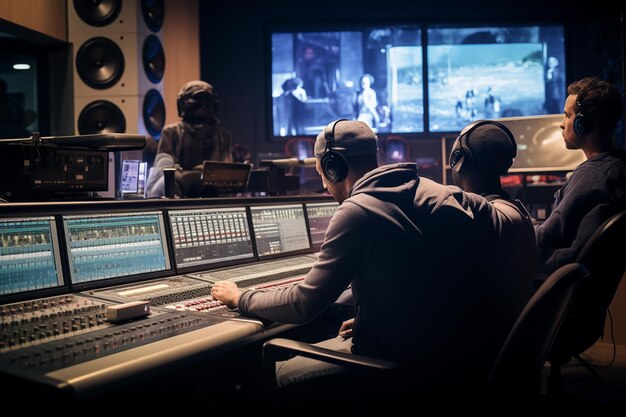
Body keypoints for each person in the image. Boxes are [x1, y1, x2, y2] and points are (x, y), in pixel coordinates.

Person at [211, 119, 537, 400]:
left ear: (332, 166)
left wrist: (241, 297)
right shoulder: (432, 192)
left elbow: (303, 304)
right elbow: (431, 274)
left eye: (322, 171)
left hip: (406, 369)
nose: (324, 184)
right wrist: (378, 318)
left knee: (275, 370)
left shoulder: (356, 211)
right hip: (456, 359)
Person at [535, 76, 626, 274]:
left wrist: (513, 227)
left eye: (567, 116)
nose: (561, 124)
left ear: (582, 124)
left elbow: (548, 236)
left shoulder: (593, 174)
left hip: (559, 278)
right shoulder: (617, 166)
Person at [146, 80, 232, 197]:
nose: (201, 108)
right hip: (179, 196)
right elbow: (162, 175)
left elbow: (227, 179)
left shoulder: (223, 136)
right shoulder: (172, 132)